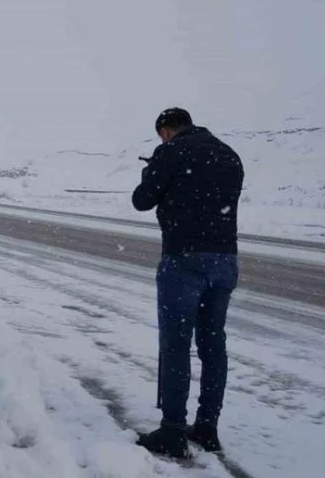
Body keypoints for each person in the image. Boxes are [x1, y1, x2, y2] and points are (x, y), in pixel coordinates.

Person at [131, 107, 245, 458]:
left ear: (166, 130)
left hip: (184, 259)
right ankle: (207, 427)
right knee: (213, 345)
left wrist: (153, 169)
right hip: (225, 259)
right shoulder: (229, 154)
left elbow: (141, 200)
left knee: (176, 344)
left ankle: (173, 431)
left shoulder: (171, 151)